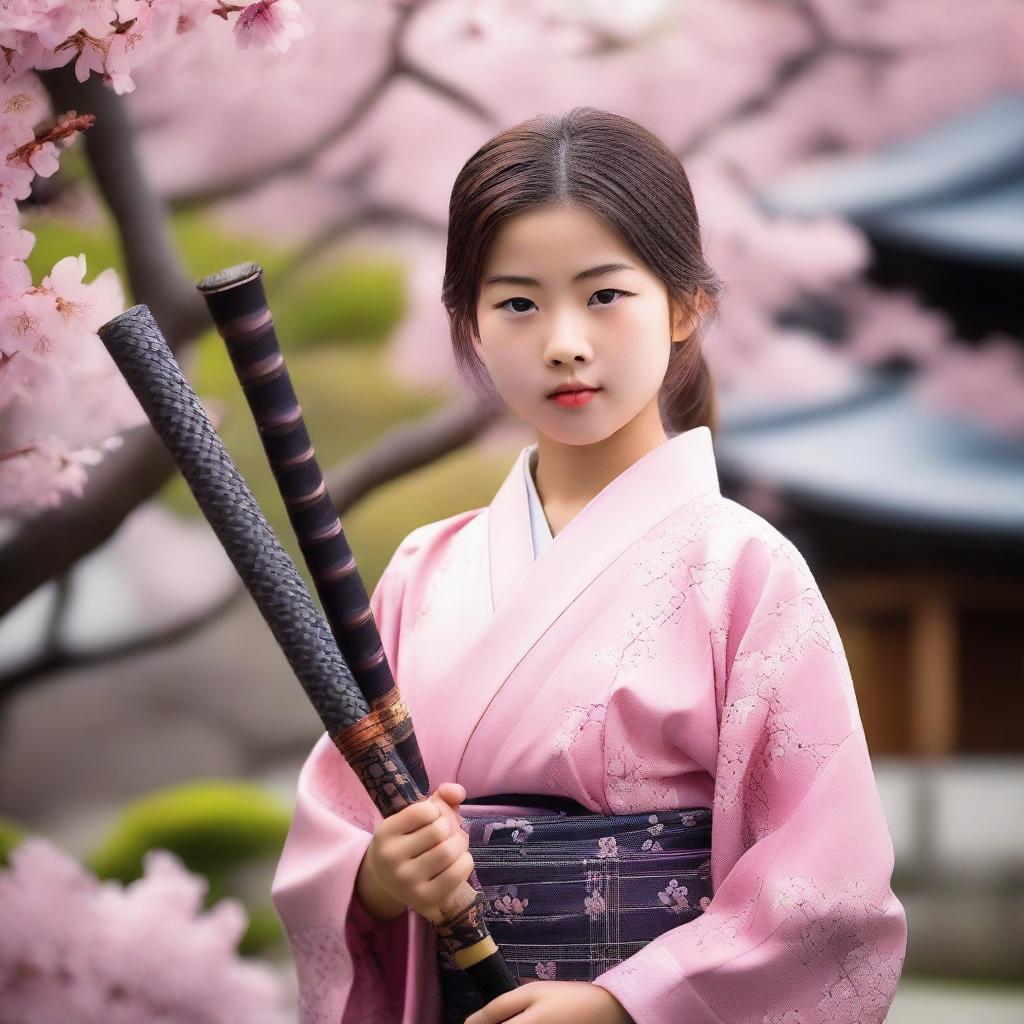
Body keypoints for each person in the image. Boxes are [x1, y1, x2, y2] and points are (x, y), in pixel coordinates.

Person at [271, 107, 908, 1024]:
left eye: (605, 295)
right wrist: (375, 876)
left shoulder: (746, 570)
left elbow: (824, 891)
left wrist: (624, 1004)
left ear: (687, 304)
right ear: (472, 327)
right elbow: (340, 822)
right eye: (518, 302)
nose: (563, 340)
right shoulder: (425, 568)